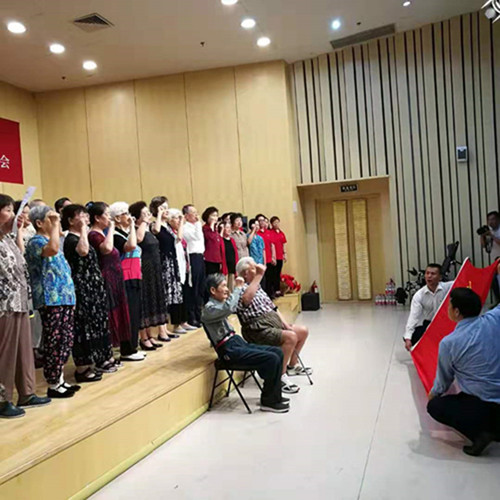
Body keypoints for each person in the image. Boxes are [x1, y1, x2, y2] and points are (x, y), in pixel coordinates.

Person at [427, 282, 500, 457]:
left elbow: (444, 380)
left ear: (457, 312)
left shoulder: (449, 343)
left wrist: (433, 394)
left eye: (449, 305)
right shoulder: (494, 320)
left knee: (435, 406)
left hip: (483, 405)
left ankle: (482, 434)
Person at [202, 273, 289, 413]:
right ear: (213, 290)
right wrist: (238, 288)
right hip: (228, 350)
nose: (227, 289)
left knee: (277, 352)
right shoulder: (208, 309)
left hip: (236, 341)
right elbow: (230, 308)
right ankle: (269, 401)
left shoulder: (219, 305)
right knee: (271, 358)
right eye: (223, 286)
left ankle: (274, 396)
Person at [0, 194, 50, 418]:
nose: (14, 215)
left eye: (13, 210)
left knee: (24, 350)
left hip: (20, 301)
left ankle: (27, 393)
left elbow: (20, 257)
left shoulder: (7, 238)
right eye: (8, 210)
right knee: (5, 354)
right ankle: (2, 399)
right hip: (4, 305)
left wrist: (16, 229)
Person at [236, 257, 312, 395]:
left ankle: (292, 366)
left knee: (302, 331)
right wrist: (259, 275)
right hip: (258, 329)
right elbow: (246, 299)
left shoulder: (258, 287)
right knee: (290, 337)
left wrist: (285, 324)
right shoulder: (241, 288)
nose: (257, 269)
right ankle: (279, 376)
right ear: (245, 273)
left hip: (272, 324)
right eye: (253, 268)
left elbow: (273, 308)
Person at [26, 205, 78, 398]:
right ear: (39, 223)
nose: (55, 221)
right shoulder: (35, 242)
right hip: (50, 298)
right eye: (50, 218)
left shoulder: (51, 239)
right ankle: (53, 383)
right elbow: (53, 250)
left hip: (64, 297)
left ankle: (60, 379)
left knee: (65, 339)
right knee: (54, 340)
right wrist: (57, 225)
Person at [62, 204, 115, 381]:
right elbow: (83, 251)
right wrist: (84, 229)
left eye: (86, 215)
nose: (85, 218)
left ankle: (98, 358)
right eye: (81, 215)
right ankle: (82, 368)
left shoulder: (81, 236)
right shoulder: (71, 239)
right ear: (70, 221)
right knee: (84, 326)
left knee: (97, 323)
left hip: (93, 287)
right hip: (81, 288)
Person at [88, 202, 145, 362]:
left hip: (121, 276)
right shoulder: (101, 235)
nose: (129, 216)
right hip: (114, 277)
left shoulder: (109, 233)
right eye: (107, 215)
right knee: (121, 314)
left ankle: (130, 348)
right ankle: (125, 349)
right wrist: (118, 226)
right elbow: (124, 246)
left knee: (128, 313)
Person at [110, 202, 160, 352]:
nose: (129, 216)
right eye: (125, 214)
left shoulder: (125, 233)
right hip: (126, 277)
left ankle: (134, 346)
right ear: (117, 218)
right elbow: (131, 246)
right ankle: (129, 349)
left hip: (136, 275)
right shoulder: (116, 235)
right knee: (130, 314)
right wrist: (133, 225)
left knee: (136, 312)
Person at [129, 201, 172, 346]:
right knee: (144, 302)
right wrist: (143, 222)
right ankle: (143, 337)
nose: (148, 215)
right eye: (144, 213)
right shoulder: (136, 229)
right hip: (144, 269)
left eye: (148, 212)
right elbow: (138, 239)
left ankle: (150, 334)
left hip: (154, 268)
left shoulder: (148, 229)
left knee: (152, 301)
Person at [151, 197, 191, 334]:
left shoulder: (168, 227)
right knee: (166, 295)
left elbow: (178, 238)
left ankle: (177, 324)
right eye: (163, 208)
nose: (166, 210)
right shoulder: (155, 224)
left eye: (167, 208)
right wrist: (159, 214)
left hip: (172, 261)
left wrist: (181, 222)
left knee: (175, 294)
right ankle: (165, 327)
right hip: (163, 262)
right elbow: (156, 230)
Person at [403, 264, 453, 351]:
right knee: (413, 336)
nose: (429, 276)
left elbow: (463, 281)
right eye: (427, 273)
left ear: (440, 277)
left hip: (446, 323)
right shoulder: (419, 295)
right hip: (430, 324)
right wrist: (408, 338)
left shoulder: (448, 287)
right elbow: (413, 317)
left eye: (433, 274)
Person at [182, 204, 205, 327]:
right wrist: (198, 224)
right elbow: (196, 237)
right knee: (193, 287)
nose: (196, 215)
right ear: (186, 216)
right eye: (193, 213)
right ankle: (192, 317)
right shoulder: (185, 227)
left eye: (196, 212)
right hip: (192, 257)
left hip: (200, 256)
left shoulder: (197, 226)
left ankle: (199, 314)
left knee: (200, 287)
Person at [479, 211, 500, 302]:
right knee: (494, 281)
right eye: (489, 220)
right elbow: (484, 246)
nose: (491, 222)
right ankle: (498, 301)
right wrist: (482, 236)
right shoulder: (489, 231)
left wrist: (491, 235)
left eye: (493, 219)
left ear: (498, 219)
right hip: (495, 262)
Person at [256, 214, 277, 298]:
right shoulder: (257, 233)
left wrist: (273, 257)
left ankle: (271, 294)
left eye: (263, 220)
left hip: (269, 258)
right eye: (260, 220)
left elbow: (272, 245)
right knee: (263, 279)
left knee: (270, 278)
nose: (262, 222)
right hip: (261, 259)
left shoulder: (269, 232)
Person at [202, 206, 223, 275]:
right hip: (209, 258)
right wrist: (211, 227)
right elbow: (210, 238)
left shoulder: (216, 229)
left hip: (217, 258)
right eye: (213, 215)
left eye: (216, 216)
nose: (215, 218)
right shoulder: (205, 228)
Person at [270, 216, 287, 297]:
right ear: (271, 224)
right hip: (274, 256)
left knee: (278, 273)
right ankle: (274, 290)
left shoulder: (281, 233)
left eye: (277, 222)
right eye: (274, 223)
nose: (276, 224)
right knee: (274, 274)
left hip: (280, 256)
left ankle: (278, 290)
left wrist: (285, 254)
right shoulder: (271, 233)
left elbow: (284, 244)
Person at [222, 220, 239, 291]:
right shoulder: (221, 240)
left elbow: (235, 253)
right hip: (225, 267)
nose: (229, 230)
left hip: (232, 267)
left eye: (230, 228)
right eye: (227, 228)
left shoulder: (232, 240)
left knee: (232, 288)